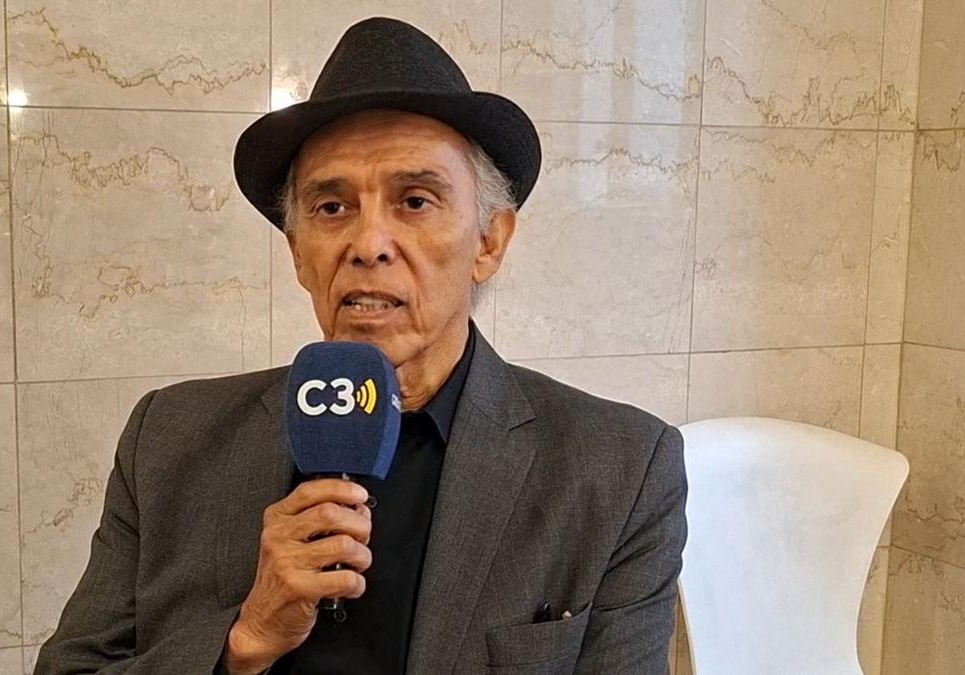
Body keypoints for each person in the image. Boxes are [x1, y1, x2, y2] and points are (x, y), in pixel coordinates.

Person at [35, 16, 686, 675]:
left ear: (488, 242)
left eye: (415, 201)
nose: (368, 244)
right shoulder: (168, 441)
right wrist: (243, 643)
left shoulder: (619, 470)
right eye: (331, 208)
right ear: (298, 251)